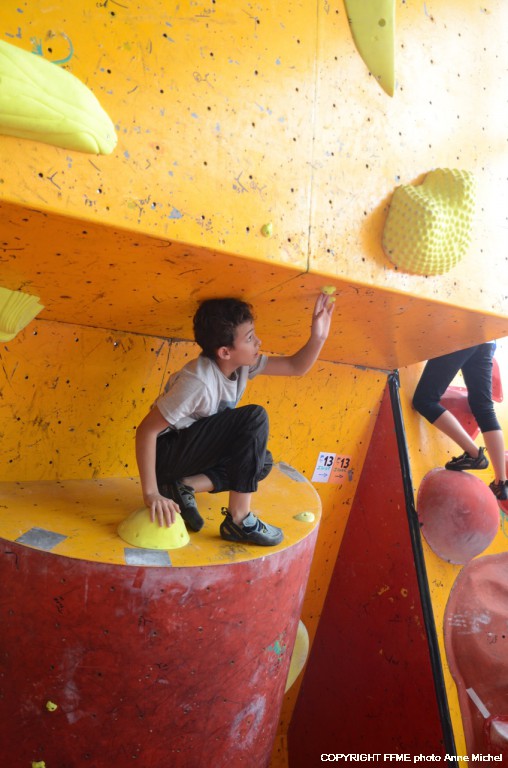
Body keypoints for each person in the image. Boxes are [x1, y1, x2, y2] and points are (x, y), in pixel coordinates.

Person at [135, 292, 335, 546]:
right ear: (225, 352)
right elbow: (147, 431)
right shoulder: (198, 382)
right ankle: (239, 520)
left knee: (260, 461)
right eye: (250, 338)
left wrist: (319, 337)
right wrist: (150, 493)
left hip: (192, 455)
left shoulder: (242, 365)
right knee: (254, 417)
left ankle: (184, 486)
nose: (258, 342)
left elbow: (296, 367)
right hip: (168, 453)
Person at [412, 342, 508, 501]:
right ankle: (501, 482)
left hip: (460, 335)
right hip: (487, 339)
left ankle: (474, 454)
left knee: (424, 400)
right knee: (484, 409)